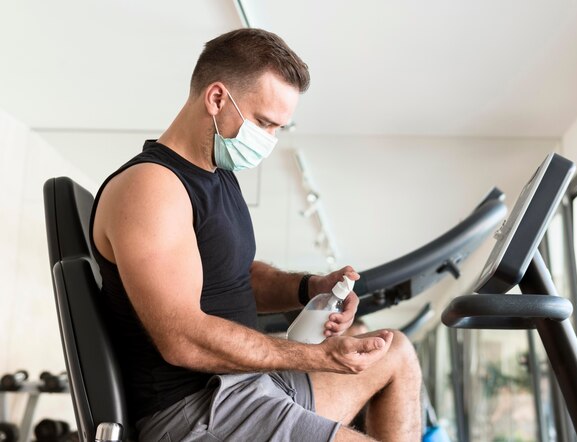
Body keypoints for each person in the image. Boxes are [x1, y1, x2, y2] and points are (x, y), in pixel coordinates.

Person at [90, 28, 421, 442]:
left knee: (397, 353)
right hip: (200, 409)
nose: (270, 140)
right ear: (216, 98)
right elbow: (183, 339)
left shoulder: (218, 176)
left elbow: (237, 276)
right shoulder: (151, 188)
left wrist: (310, 287)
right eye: (264, 123)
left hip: (248, 384)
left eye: (279, 127)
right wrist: (315, 357)